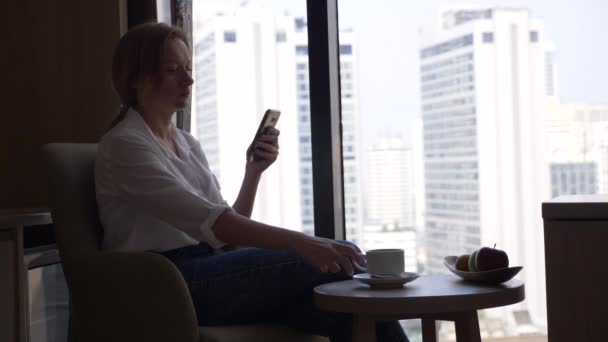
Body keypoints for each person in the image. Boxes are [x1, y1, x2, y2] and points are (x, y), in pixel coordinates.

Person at [95, 22, 408, 342]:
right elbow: (218, 224)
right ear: (138, 78)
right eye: (173, 70)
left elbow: (228, 234)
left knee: (353, 311)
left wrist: (254, 171)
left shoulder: (186, 144)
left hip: (209, 268)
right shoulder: (125, 145)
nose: (189, 80)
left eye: (188, 68)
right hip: (167, 283)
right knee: (340, 257)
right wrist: (303, 242)